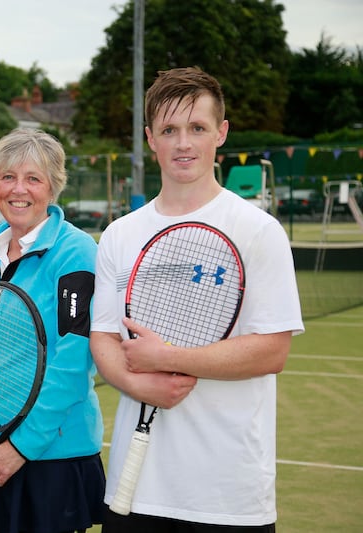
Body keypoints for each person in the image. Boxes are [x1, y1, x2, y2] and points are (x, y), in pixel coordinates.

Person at [90, 67, 304, 532]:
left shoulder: (259, 231)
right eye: (169, 130)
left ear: (221, 133)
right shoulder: (119, 236)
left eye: (197, 128)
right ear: (150, 138)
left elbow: (272, 350)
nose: (183, 143)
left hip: (228, 496)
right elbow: (103, 338)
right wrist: (137, 383)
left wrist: (167, 358)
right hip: (136, 491)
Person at [0, 127, 107, 533]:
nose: (19, 189)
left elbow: (72, 364)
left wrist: (18, 449)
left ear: (53, 187)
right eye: (7, 176)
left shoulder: (76, 252)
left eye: (33, 178)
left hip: (52, 461)